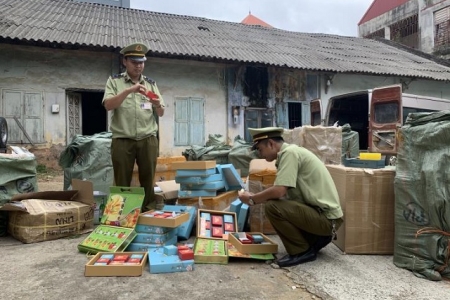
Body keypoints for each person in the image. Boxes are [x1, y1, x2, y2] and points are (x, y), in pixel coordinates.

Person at [238, 127, 343, 267]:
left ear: (271, 144)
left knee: (272, 206)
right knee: (277, 203)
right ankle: (315, 239)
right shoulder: (292, 152)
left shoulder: (289, 153)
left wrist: (252, 199)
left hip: (327, 220)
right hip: (325, 218)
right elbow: (282, 192)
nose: (260, 154)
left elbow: (279, 191)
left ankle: (302, 251)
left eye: (260, 149)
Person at [103, 42, 165, 211]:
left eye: (142, 62)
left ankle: (148, 210)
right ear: (125, 61)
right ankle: (121, 214)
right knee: (122, 180)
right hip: (123, 139)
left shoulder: (151, 84)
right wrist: (129, 90)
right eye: (135, 62)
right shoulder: (114, 82)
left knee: (148, 179)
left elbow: (160, 113)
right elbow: (108, 105)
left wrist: (157, 104)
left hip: (148, 138)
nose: (139, 66)